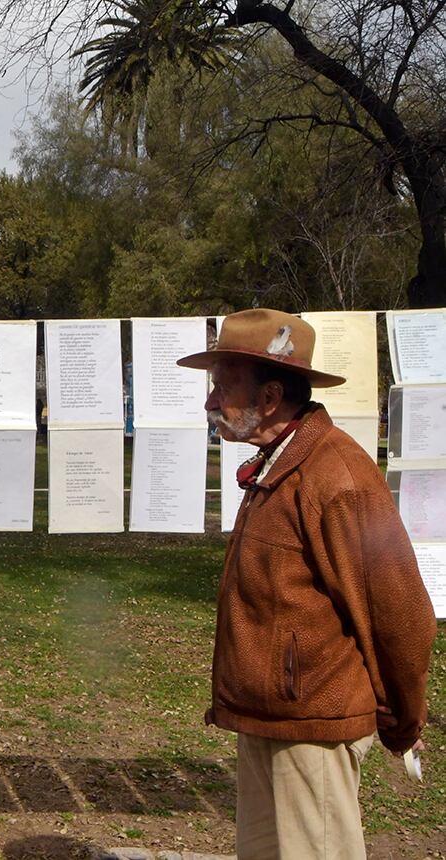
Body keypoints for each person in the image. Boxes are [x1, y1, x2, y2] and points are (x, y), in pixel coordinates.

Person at [177, 308, 436, 859]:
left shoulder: (336, 475)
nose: (209, 402)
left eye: (223, 387)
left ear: (270, 399)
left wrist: (403, 720)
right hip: (266, 720)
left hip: (312, 729)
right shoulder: (279, 464)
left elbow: (401, 613)